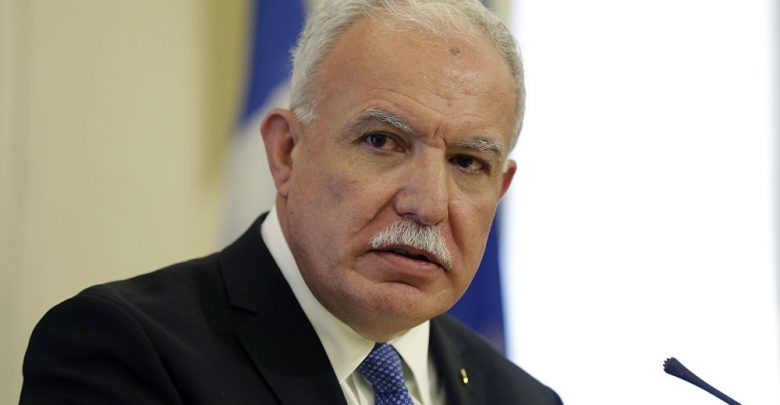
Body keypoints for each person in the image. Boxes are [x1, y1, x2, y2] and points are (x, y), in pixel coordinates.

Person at [20, 0, 562, 404]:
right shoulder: (123, 353)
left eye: (468, 162)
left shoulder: (522, 398)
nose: (429, 204)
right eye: (382, 141)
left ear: (500, 189)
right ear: (286, 151)